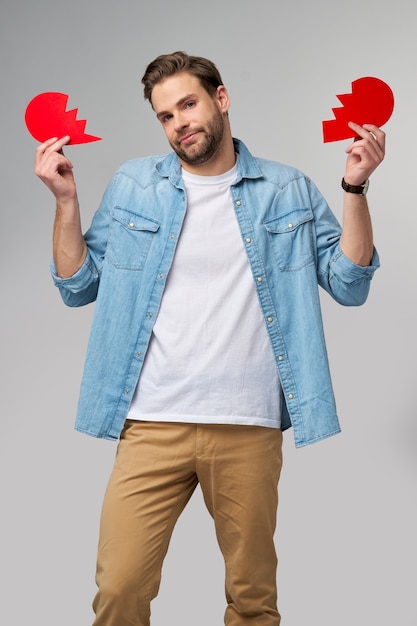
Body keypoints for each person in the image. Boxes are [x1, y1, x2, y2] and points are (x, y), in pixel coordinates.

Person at [34, 51, 385, 626]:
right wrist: (66, 202)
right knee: (119, 591)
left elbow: (349, 284)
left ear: (221, 99)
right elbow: (78, 285)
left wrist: (355, 187)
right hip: (151, 422)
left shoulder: (285, 189)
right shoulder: (134, 185)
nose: (180, 124)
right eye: (166, 116)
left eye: (188, 104)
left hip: (247, 424)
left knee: (251, 602)